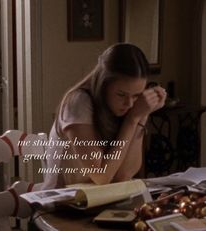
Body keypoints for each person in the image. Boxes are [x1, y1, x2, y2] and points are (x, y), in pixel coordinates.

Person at [42, 43, 167, 189]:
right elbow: (101, 176)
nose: (129, 104)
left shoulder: (125, 109)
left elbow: (124, 174)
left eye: (136, 96)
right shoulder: (78, 102)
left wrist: (141, 116)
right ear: (103, 84)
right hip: (62, 203)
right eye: (121, 94)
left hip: (101, 199)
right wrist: (131, 120)